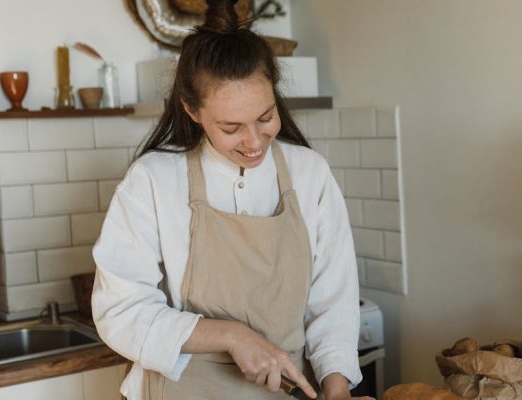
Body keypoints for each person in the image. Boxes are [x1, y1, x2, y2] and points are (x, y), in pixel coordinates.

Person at [91, 1, 367, 399]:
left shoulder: (310, 173)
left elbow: (333, 302)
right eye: (231, 127)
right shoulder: (154, 180)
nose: (254, 142)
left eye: (265, 117)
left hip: (286, 389)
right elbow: (119, 311)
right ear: (192, 111)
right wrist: (231, 336)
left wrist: (337, 390)